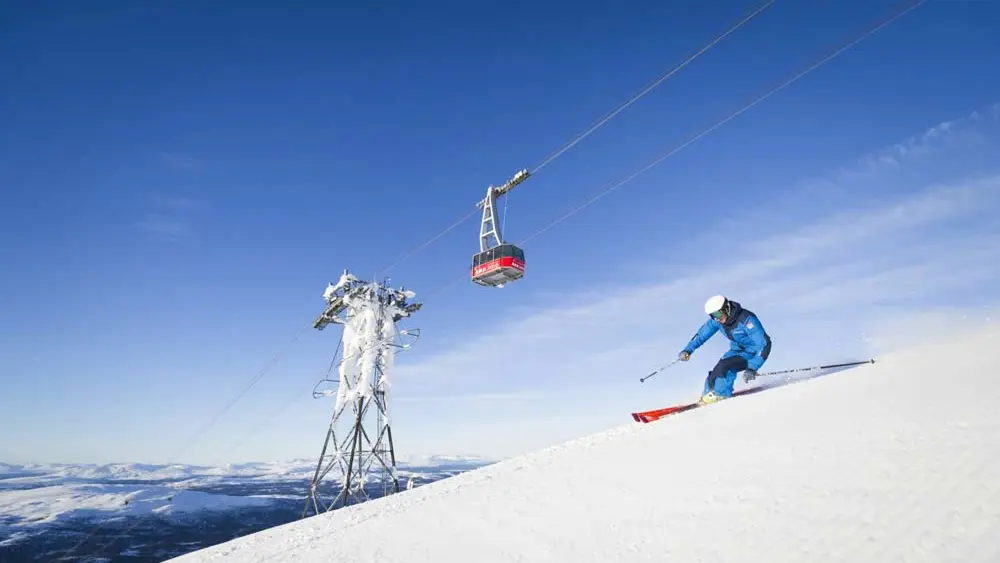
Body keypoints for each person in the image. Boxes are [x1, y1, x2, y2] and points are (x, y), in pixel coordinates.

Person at [678, 295, 772, 404]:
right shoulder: (717, 321)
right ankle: (708, 395)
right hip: (736, 351)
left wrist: (753, 367)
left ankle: (721, 395)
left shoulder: (746, 320)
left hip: (752, 353)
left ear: (726, 307)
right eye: (713, 316)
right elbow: (701, 335)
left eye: (717, 314)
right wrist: (688, 350)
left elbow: (764, 344)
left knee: (725, 366)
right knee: (716, 371)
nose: (717, 318)